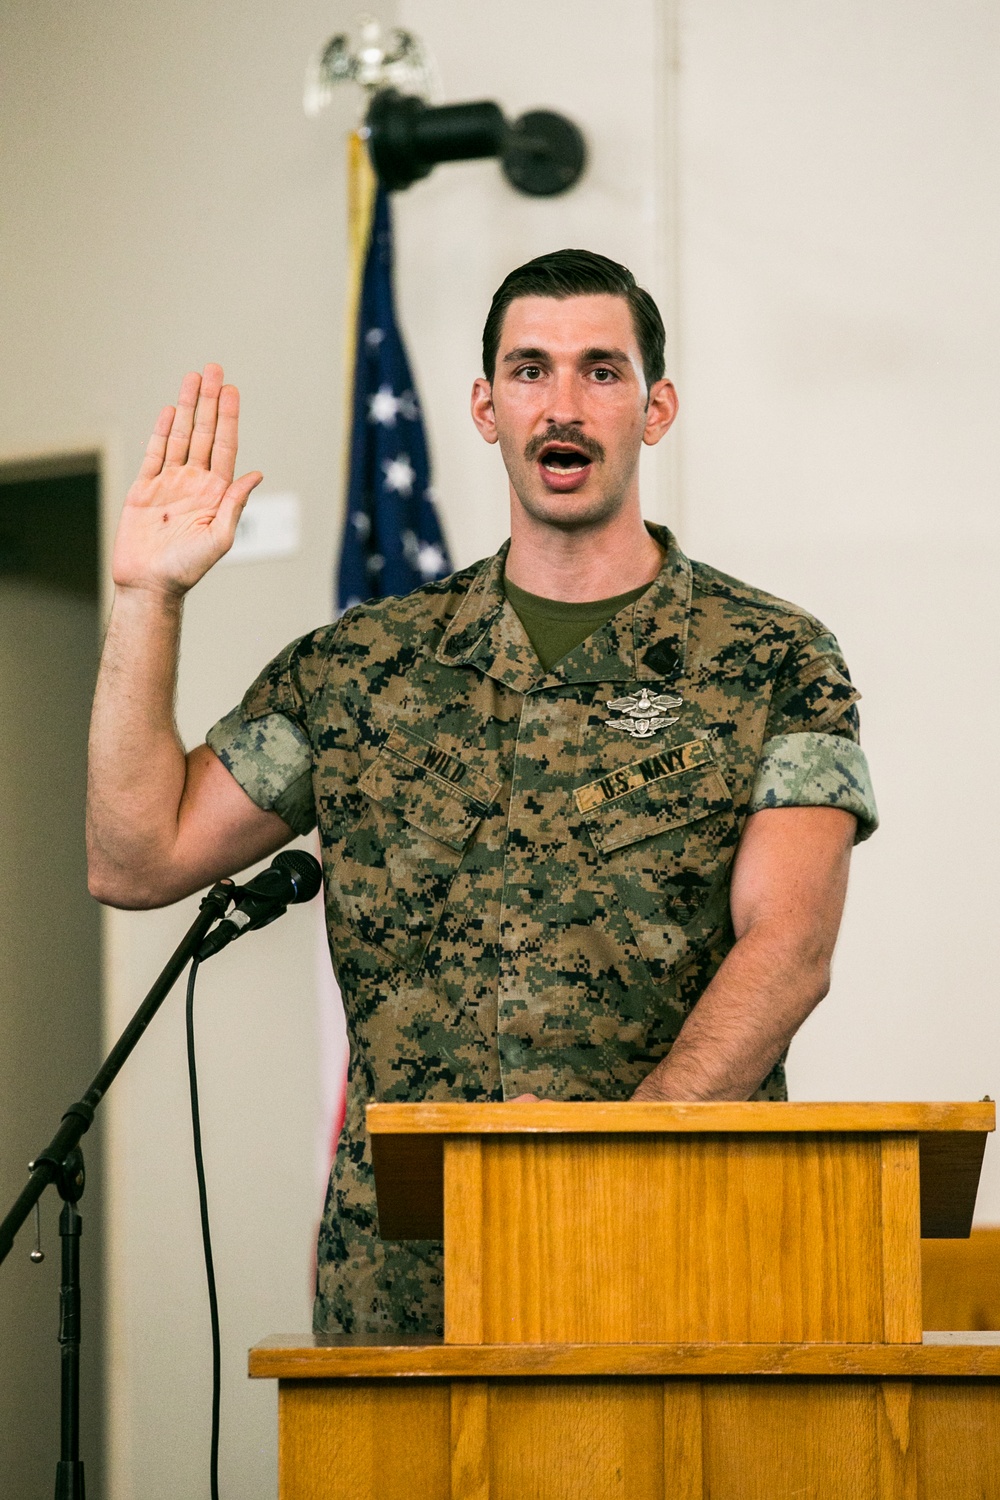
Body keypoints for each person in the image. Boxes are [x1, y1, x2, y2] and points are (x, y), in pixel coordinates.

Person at [87, 249, 878, 1337]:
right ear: (483, 405)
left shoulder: (771, 659)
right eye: (529, 370)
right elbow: (135, 859)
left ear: (655, 409)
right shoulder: (363, 669)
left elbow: (788, 947)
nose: (563, 405)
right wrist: (145, 597)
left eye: (601, 372)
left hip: (673, 1249)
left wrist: (618, 1168)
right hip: (412, 1275)